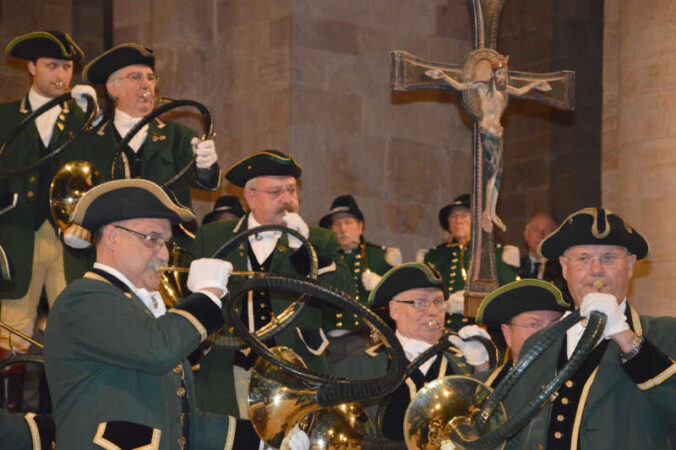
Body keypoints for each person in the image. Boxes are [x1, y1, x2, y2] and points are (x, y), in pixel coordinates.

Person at [43, 178, 310, 449]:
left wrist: (265, 441)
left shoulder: (146, 315)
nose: (164, 255)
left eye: (166, 243)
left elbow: (186, 426)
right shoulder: (83, 298)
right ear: (113, 237)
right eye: (152, 239)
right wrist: (206, 295)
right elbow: (158, 349)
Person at [190, 150, 353, 418]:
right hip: (228, 368)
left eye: (291, 190)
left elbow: (344, 297)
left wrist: (305, 249)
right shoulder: (213, 237)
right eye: (275, 192)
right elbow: (193, 299)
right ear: (250, 197)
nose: (287, 200)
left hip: (297, 369)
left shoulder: (320, 240)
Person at [503, 207, 676, 449]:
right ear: (564, 267)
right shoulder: (539, 344)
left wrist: (625, 337)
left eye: (609, 258)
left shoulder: (665, 334)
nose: (596, 269)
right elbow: (513, 434)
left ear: (629, 266)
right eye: (583, 258)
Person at [0, 30, 97, 409]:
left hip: (70, 238)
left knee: (73, 329)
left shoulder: (85, 118)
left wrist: (95, 117)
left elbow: (100, 172)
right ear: (31, 68)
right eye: (51, 65)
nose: (60, 74)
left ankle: (66, 419)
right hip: (15, 234)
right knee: (9, 333)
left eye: (67, 66)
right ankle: (7, 423)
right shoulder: (6, 116)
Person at [335, 263, 492, 443]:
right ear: (394, 310)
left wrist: (482, 367)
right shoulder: (359, 367)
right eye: (421, 302)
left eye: (438, 302)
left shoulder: (465, 362)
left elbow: (489, 426)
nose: (433, 311)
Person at [69, 43, 220, 215]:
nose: (146, 84)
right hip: (112, 238)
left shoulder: (178, 136)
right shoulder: (90, 142)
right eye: (135, 77)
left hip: (168, 239)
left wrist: (206, 167)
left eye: (150, 78)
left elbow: (206, 183)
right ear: (113, 88)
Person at [318, 194, 402, 362]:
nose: (343, 229)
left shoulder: (381, 256)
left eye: (348, 223)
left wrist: (382, 285)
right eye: (337, 224)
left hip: (364, 339)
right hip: (326, 342)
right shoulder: (322, 260)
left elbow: (403, 298)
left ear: (360, 227)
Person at [422, 193, 519, 330]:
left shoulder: (495, 254)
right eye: (453, 216)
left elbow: (510, 297)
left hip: (483, 334)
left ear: (478, 222)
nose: (458, 220)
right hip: (440, 333)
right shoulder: (434, 256)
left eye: (464, 215)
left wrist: (477, 304)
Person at [475, 279, 568, 386]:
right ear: (508, 334)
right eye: (533, 325)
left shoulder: (571, 384)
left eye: (554, 325)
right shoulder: (485, 386)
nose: (547, 333)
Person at [518, 213, 562, 281]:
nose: (541, 235)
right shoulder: (515, 268)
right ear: (526, 235)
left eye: (547, 231)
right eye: (535, 230)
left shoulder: (563, 268)